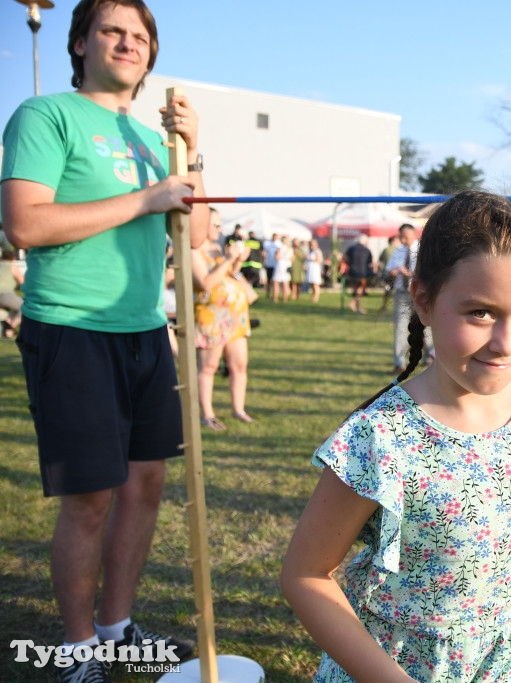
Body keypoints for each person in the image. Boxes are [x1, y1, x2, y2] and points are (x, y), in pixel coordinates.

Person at [280, 190, 511, 682]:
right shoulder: (383, 438)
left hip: (501, 662)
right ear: (424, 299)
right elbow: (305, 574)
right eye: (481, 313)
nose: (506, 344)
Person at [1, 1, 207, 679]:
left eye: (140, 36)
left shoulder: (156, 142)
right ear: (81, 40)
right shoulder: (46, 115)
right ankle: (79, 646)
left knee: (146, 486)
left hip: (145, 330)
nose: (128, 44)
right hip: (71, 327)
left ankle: (118, 625)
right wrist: (146, 199)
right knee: (91, 496)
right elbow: (25, 226)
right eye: (113, 31)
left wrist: (192, 153)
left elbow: (197, 238)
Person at [193, 208, 254, 429]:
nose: (219, 230)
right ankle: (208, 415)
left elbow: (228, 276)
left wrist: (237, 261)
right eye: (216, 225)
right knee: (209, 367)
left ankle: (239, 410)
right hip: (212, 317)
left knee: (239, 365)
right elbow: (206, 283)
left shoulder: (218, 248)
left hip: (234, 316)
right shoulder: (193, 250)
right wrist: (228, 259)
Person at [386, 223, 433, 373]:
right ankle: (399, 363)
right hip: (402, 294)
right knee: (400, 328)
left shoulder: (423, 251)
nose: (404, 240)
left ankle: (430, 358)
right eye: (402, 237)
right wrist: (394, 272)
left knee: (426, 327)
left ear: (413, 234)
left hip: (420, 294)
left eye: (406, 236)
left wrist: (410, 273)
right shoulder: (398, 252)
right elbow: (389, 270)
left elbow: (427, 272)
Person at [0, 234, 25, 339]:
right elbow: (23, 283)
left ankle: (6, 325)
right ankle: (11, 324)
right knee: (25, 308)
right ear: (13, 258)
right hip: (5, 295)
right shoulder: (12, 266)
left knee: (4, 311)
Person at [344, 234, 375, 314]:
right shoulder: (367, 250)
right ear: (365, 242)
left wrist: (350, 263)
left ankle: (358, 308)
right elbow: (370, 262)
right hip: (362, 273)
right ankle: (353, 303)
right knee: (361, 288)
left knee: (356, 289)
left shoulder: (351, 249)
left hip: (351, 273)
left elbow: (345, 258)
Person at [272, 235, 293, 303]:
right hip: (287, 266)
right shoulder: (290, 249)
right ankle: (285, 298)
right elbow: (292, 259)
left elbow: (277, 257)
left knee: (276, 282)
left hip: (280, 265)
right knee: (285, 282)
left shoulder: (280, 248)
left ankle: (275, 298)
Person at [305, 239, 324, 303]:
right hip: (310, 269)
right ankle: (313, 296)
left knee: (315, 284)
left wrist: (310, 258)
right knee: (312, 284)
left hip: (315, 269)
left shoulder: (317, 251)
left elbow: (319, 260)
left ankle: (316, 297)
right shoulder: (310, 251)